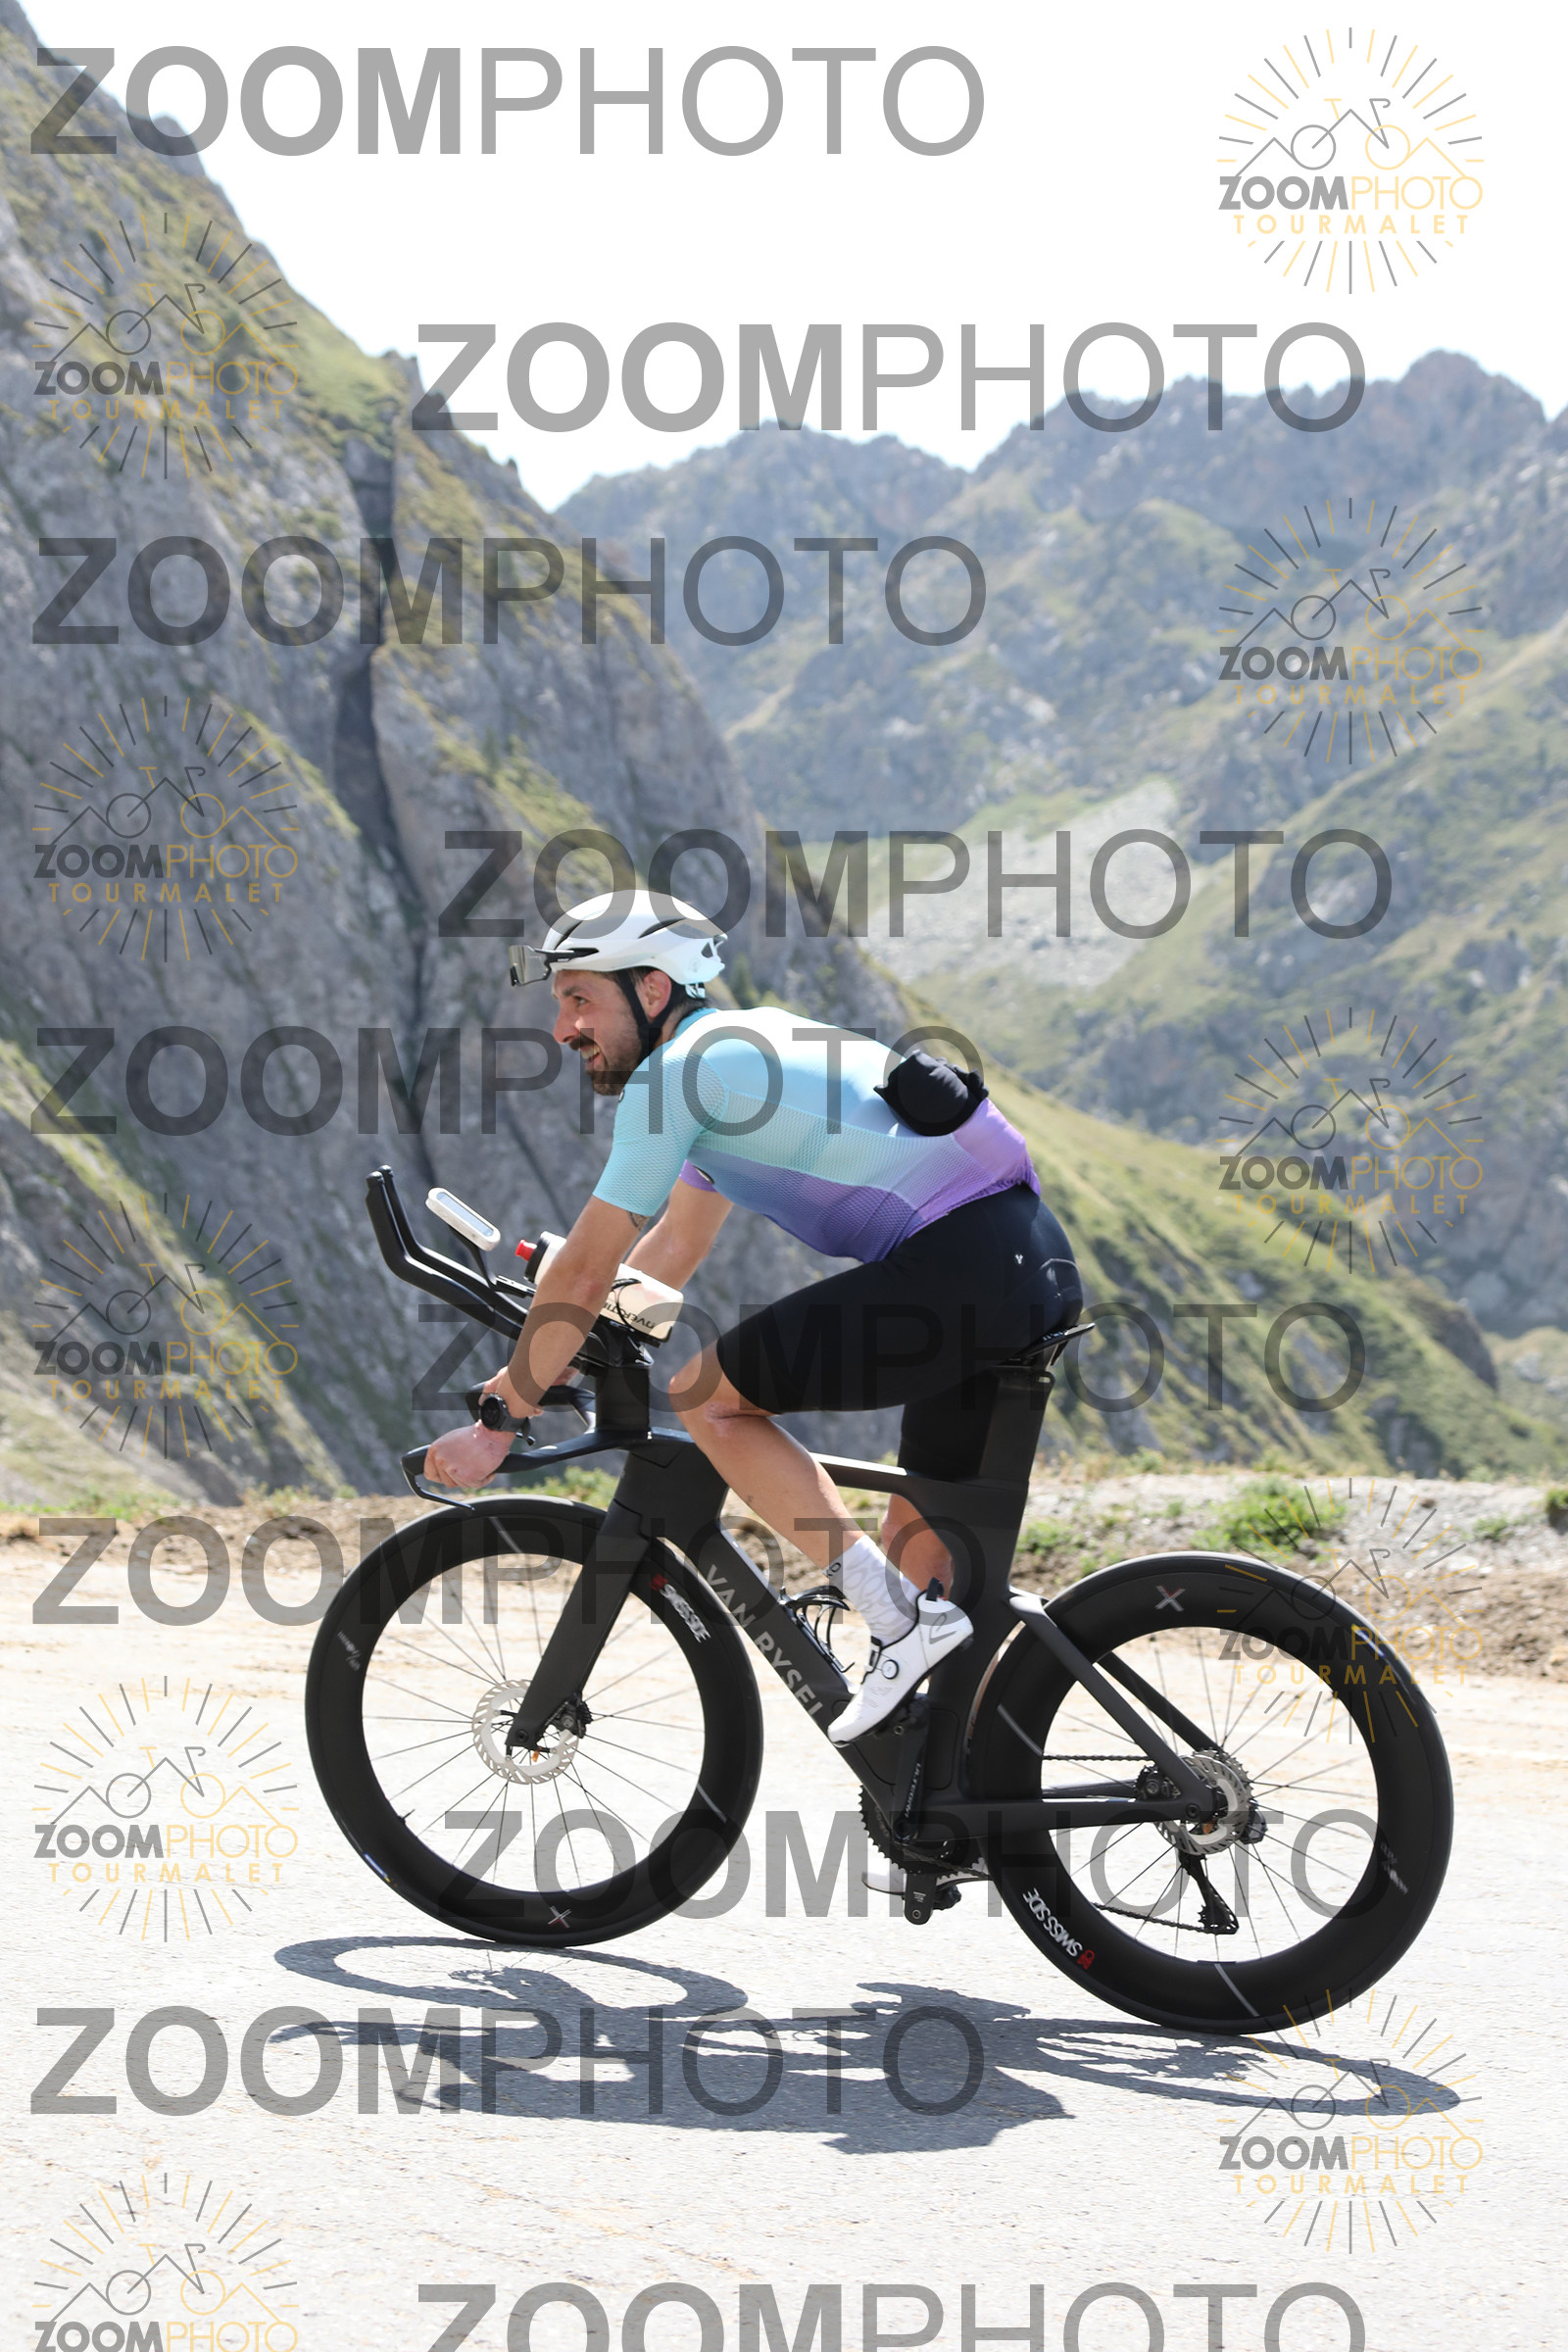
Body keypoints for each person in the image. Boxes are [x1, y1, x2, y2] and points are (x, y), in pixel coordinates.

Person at [424, 891, 1082, 1742]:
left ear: (652, 989)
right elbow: (670, 1251)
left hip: (968, 1265)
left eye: (579, 998)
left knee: (711, 1399)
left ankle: (893, 1621)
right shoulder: (731, 1058)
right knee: (926, 1553)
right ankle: (950, 1779)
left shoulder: (677, 1077)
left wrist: (501, 1418)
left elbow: (585, 1270)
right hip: (1021, 1260)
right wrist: (557, 1360)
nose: (562, 1029)